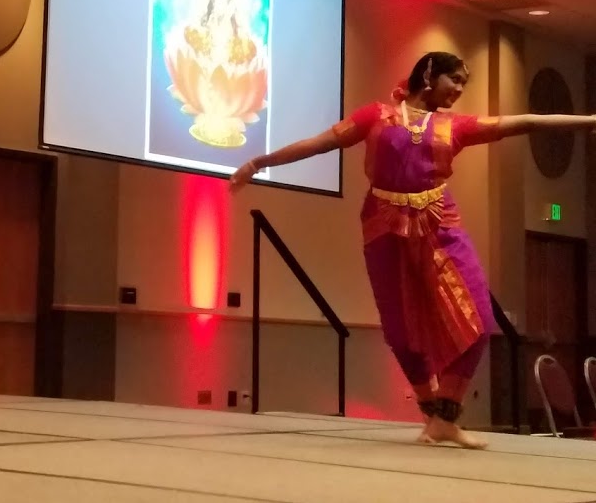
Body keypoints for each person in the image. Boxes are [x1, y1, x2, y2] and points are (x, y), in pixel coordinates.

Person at [230, 51, 596, 449]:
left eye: (464, 83)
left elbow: (523, 122)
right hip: (384, 226)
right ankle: (433, 417)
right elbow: (320, 144)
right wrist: (259, 161)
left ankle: (446, 417)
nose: (459, 89)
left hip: (440, 223)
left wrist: (589, 121)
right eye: (455, 79)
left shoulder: (455, 127)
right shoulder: (376, 116)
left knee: (479, 319)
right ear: (429, 73)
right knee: (401, 331)